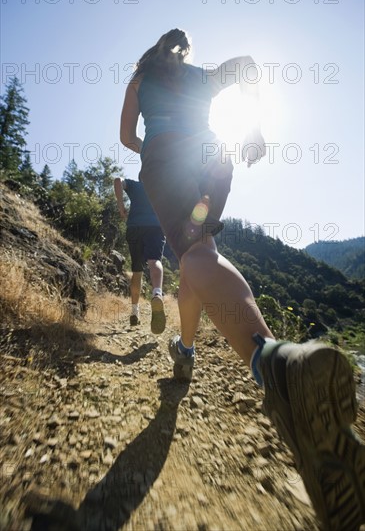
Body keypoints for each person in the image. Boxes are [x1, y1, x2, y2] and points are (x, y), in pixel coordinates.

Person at [119, 28, 365, 530]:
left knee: (196, 254)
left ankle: (276, 365)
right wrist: (252, 128)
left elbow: (126, 137)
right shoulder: (202, 76)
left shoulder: (141, 78)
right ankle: (184, 351)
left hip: (167, 161)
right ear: (185, 51)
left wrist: (151, 147)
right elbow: (249, 64)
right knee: (198, 254)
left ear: (154, 49)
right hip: (214, 157)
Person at [114, 176, 166, 334]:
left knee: (137, 271)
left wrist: (121, 207)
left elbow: (117, 180)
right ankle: (157, 293)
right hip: (155, 227)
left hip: (135, 227)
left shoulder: (134, 186)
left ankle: (134, 312)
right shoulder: (160, 189)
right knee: (154, 261)